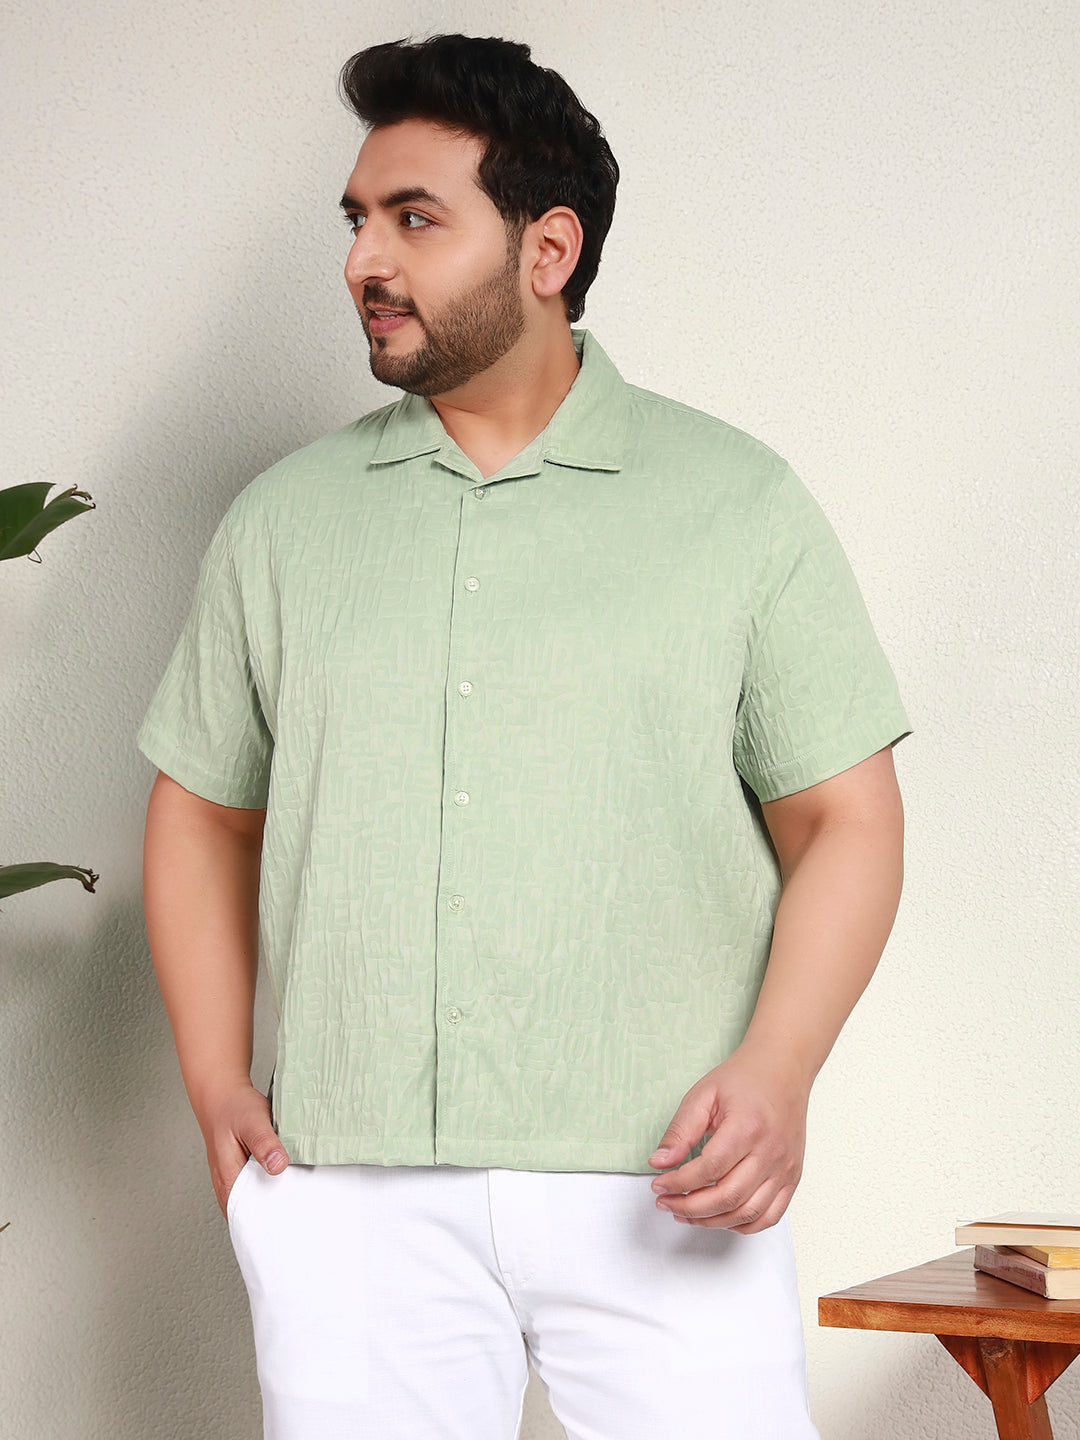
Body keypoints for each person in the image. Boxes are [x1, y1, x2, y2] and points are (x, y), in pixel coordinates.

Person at [137, 32, 911, 1440]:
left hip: (668, 1175)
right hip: (349, 1190)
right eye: (357, 220)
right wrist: (212, 1085)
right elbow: (203, 809)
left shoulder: (736, 504)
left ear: (548, 249)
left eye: (414, 219)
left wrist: (780, 1068)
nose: (364, 260)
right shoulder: (284, 524)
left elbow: (844, 817)